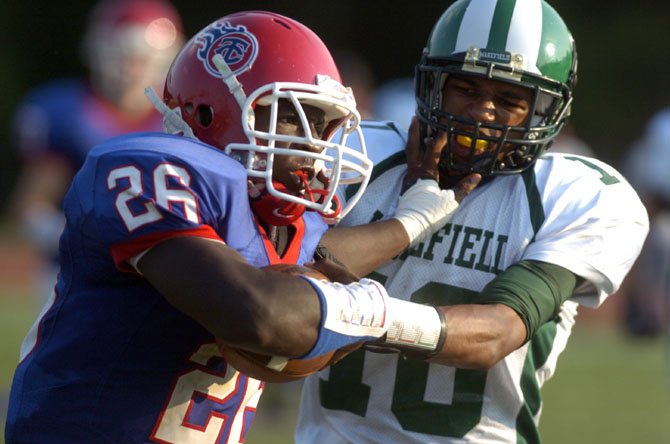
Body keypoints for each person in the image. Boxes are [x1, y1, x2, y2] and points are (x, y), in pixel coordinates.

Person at [5, 11, 480, 443]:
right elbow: (261, 313)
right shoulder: (147, 172)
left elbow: (314, 261)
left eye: (325, 127)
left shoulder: (273, 216)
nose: (317, 147)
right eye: (299, 120)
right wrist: (384, 316)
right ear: (211, 110)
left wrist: (413, 220)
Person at [295, 0, 649, 443]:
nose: (483, 111)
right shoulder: (352, 159)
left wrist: (361, 313)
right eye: (466, 88)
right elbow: (285, 276)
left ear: (543, 111)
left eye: (509, 100)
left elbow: (496, 331)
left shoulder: (575, 194)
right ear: (434, 85)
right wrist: (405, 223)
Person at [5, 0, 184, 307]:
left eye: (144, 58)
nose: (133, 68)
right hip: (76, 274)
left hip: (162, 272)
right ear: (98, 51)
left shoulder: (182, 121)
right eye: (123, 56)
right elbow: (28, 210)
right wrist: (88, 238)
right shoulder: (68, 112)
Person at [619, 108, 670, 337]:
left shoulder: (661, 123)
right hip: (658, 201)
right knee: (651, 251)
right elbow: (654, 175)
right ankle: (644, 314)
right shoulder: (662, 123)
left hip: (657, 201)